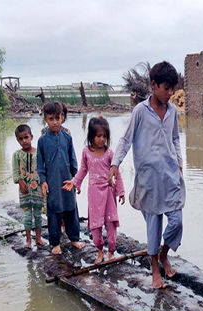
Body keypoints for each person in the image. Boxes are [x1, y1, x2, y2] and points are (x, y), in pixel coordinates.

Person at [108, 61, 185, 289]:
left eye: (173, 88)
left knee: (177, 221)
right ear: (154, 85)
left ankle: (164, 254)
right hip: (148, 179)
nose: (170, 93)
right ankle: (155, 270)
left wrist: (179, 161)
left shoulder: (172, 111)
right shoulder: (141, 111)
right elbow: (126, 139)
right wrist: (115, 164)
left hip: (170, 175)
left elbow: (175, 138)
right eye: (166, 88)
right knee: (154, 223)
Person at [63, 117, 126, 264]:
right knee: (96, 225)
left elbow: (117, 173)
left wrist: (121, 191)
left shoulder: (110, 153)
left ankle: (111, 251)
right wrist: (74, 182)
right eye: (99, 136)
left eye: (104, 136)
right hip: (94, 194)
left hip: (109, 192)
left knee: (111, 224)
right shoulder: (86, 152)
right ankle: (99, 251)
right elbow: (83, 170)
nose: (102, 139)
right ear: (91, 136)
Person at [37, 101, 84, 255]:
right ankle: (55, 242)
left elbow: (73, 160)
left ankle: (74, 238)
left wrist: (76, 180)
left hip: (67, 180)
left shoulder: (67, 137)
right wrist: (43, 182)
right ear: (45, 119)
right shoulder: (42, 140)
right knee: (54, 212)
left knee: (71, 209)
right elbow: (40, 164)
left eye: (58, 118)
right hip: (52, 182)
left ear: (62, 118)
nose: (55, 122)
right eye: (51, 119)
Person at [12, 124, 46, 249]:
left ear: (31, 137)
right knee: (27, 215)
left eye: (26, 137)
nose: (24, 141)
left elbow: (43, 170)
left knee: (38, 214)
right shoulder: (17, 155)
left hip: (37, 189)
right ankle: (28, 240)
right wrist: (20, 182)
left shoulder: (39, 153)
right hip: (24, 190)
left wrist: (43, 185)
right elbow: (15, 172)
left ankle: (38, 238)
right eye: (20, 139)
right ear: (17, 140)